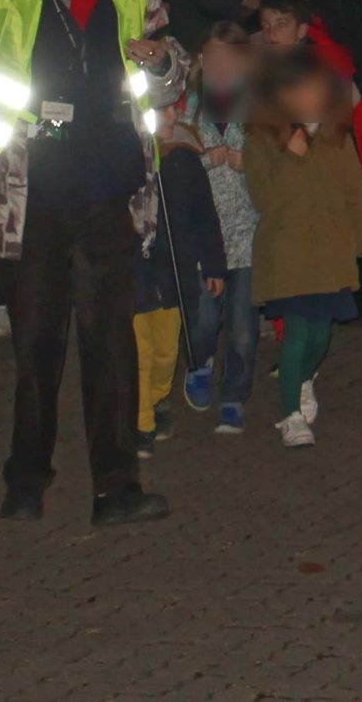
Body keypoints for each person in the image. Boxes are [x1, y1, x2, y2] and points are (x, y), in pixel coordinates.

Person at [0, 0, 185, 524]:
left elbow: (173, 70)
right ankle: (25, 481)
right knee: (36, 347)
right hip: (34, 195)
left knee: (112, 346)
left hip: (111, 191)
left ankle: (117, 488)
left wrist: (161, 61)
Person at [244, 48, 362, 449]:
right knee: (296, 336)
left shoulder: (336, 138)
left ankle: (303, 380)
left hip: (330, 255)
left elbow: (356, 195)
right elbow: (265, 199)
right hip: (287, 256)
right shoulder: (261, 139)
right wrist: (290, 158)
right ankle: (291, 415)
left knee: (320, 336)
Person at [175, 24, 261, 433]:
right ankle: (200, 361)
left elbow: (285, 166)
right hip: (204, 237)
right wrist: (207, 158)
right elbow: (170, 164)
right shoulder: (185, 108)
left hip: (249, 232)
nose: (222, 67)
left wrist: (254, 165)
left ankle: (234, 395)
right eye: (214, 57)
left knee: (244, 327)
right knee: (204, 320)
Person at [131, 111, 224, 461]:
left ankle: (157, 399)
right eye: (161, 108)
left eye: (173, 108)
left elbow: (204, 215)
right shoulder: (128, 155)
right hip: (137, 271)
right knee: (139, 352)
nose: (170, 115)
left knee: (167, 349)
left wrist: (213, 264)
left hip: (174, 272)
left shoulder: (185, 159)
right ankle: (142, 425)